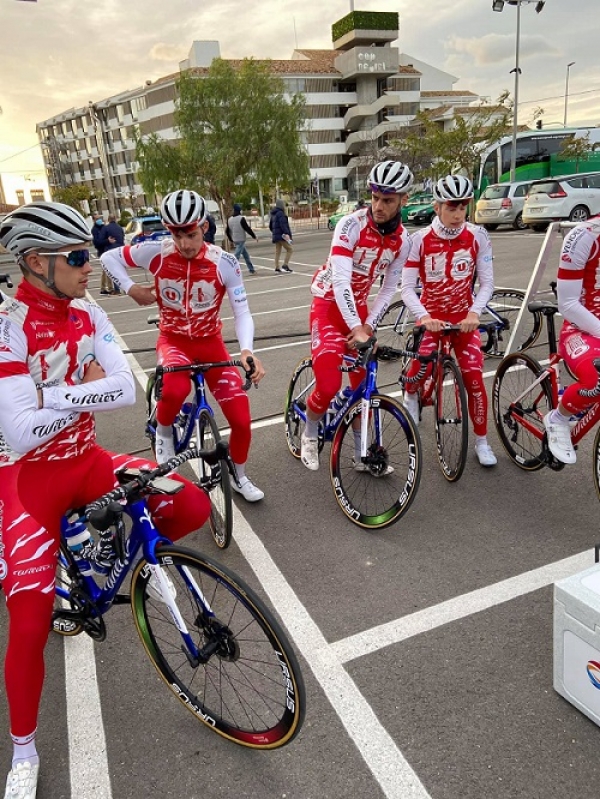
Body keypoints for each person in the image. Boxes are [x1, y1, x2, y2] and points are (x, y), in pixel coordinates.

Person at [0, 202, 212, 799]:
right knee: (30, 622)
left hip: (90, 462)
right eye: (76, 257)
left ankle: (97, 549)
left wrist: (52, 396)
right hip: (27, 482)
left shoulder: (86, 308)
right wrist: (83, 390)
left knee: (191, 503)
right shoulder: (7, 324)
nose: (89, 265)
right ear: (37, 263)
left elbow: (128, 388)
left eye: (89, 253)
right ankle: (23, 754)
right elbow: (18, 434)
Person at [101, 189, 266, 501]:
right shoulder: (155, 252)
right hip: (173, 340)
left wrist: (247, 351)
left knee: (242, 419)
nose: (184, 244)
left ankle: (239, 476)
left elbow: (242, 311)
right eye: (176, 235)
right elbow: (108, 258)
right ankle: (164, 432)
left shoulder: (225, 262)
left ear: (203, 227)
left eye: (190, 234)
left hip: (210, 343)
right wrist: (131, 288)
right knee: (175, 390)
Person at [300, 160, 413, 471]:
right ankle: (309, 431)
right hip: (328, 305)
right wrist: (357, 327)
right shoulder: (350, 225)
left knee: (363, 385)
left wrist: (368, 325)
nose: (378, 205)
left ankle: (361, 453)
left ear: (403, 200)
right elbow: (340, 281)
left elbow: (390, 288)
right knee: (328, 384)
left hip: (359, 310)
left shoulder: (404, 241)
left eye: (387, 200)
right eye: (375, 197)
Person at [400, 174, 497, 467]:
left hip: (464, 321)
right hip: (430, 317)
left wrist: (474, 313)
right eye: (451, 207)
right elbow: (406, 288)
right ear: (437, 206)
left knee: (475, 381)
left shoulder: (478, 236)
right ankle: (412, 395)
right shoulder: (418, 240)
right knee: (418, 368)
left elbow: (487, 284)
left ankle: (481, 441)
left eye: (462, 207)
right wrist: (424, 317)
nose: (458, 214)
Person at [542, 215, 600, 465]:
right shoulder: (584, 235)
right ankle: (559, 418)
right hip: (581, 328)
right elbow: (567, 304)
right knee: (597, 379)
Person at [226, 203, 258, 275]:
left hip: (234, 239)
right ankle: (229, 271)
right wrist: (254, 236)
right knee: (236, 256)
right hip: (241, 239)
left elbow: (227, 231)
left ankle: (251, 269)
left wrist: (231, 239)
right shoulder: (241, 218)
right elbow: (247, 228)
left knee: (246, 255)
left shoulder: (229, 219)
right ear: (239, 211)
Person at [99, 213, 124, 294]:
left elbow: (101, 241)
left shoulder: (106, 228)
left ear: (108, 220)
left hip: (110, 251)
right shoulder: (120, 228)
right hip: (120, 251)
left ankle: (117, 289)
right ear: (115, 219)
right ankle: (125, 288)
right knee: (120, 270)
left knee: (113, 270)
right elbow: (122, 238)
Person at [269, 199, 293, 273]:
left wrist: (275, 232)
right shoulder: (281, 214)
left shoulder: (273, 214)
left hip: (276, 236)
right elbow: (283, 225)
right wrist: (287, 234)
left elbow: (270, 226)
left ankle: (277, 267)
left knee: (277, 252)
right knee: (290, 249)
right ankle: (285, 265)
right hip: (282, 235)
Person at [92, 213, 113, 295]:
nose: (99, 220)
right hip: (102, 252)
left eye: (99, 218)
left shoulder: (103, 227)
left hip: (107, 250)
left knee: (106, 270)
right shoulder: (94, 230)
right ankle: (107, 288)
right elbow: (97, 243)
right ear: (93, 220)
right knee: (106, 270)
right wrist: (107, 241)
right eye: (97, 219)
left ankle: (105, 288)